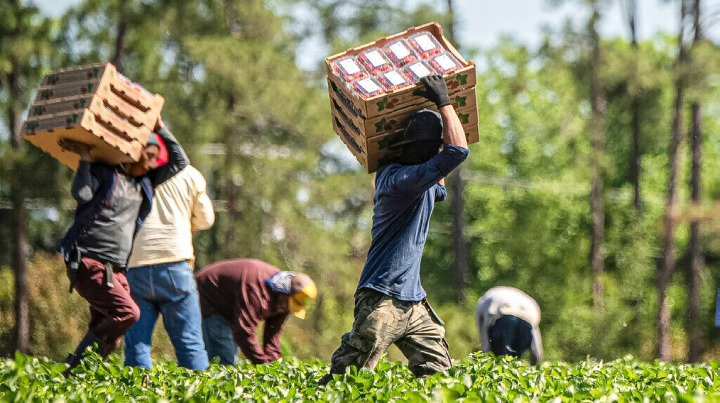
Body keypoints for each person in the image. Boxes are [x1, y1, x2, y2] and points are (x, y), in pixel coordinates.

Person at [319, 75, 470, 385]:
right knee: (348, 379)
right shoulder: (400, 181)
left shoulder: (419, 180)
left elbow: (443, 173)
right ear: (428, 149)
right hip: (382, 299)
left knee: (439, 375)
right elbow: (457, 153)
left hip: (412, 301)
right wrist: (444, 101)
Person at [58, 117, 189, 375]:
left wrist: (160, 126)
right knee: (127, 313)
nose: (152, 163)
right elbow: (82, 195)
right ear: (132, 153)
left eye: (155, 158)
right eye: (148, 156)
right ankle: (73, 373)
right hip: (88, 262)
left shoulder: (145, 184)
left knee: (111, 333)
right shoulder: (105, 173)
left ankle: (75, 380)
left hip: (116, 270)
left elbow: (180, 161)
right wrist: (85, 158)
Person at [123, 136, 215, 370]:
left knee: (137, 347)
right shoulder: (189, 174)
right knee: (190, 345)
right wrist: (183, 222)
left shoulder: (130, 172)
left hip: (136, 266)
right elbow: (206, 219)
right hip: (175, 265)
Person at [194, 258, 317, 365]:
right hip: (207, 295)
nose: (287, 309)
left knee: (228, 355)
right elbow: (243, 330)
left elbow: (272, 336)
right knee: (224, 359)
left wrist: (273, 366)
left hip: (229, 309)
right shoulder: (257, 290)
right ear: (284, 292)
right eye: (289, 304)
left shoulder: (283, 302)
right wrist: (262, 364)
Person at [475, 286, 543, 365]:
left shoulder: (484, 300)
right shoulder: (527, 301)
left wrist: (486, 352)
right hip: (526, 318)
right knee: (514, 358)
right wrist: (536, 363)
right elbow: (535, 342)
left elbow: (484, 327)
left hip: (505, 318)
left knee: (501, 358)